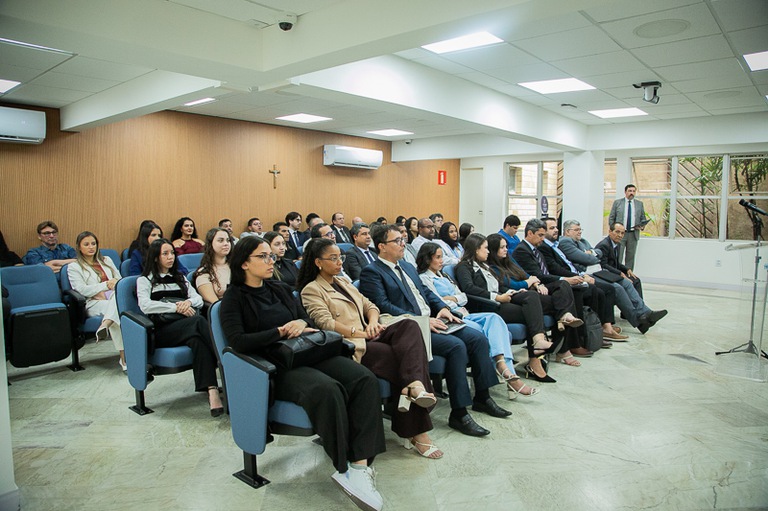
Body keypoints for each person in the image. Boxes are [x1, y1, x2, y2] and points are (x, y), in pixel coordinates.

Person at [219, 236, 385, 511]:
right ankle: (343, 467)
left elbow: (306, 319)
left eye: (271, 256)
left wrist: (298, 322)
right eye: (263, 256)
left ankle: (359, 466)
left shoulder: (279, 288)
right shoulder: (234, 298)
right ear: (244, 263)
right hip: (274, 364)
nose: (271, 261)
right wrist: (279, 332)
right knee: (327, 389)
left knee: (364, 378)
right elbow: (238, 341)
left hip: (305, 352)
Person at [359, 224, 510, 437]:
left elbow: (426, 293)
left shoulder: (407, 266)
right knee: (456, 347)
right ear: (382, 246)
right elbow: (383, 305)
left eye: (403, 240)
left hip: (433, 320)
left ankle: (483, 398)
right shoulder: (372, 272)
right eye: (397, 241)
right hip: (408, 329)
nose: (403, 244)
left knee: (477, 338)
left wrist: (443, 308)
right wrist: (422, 320)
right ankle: (459, 413)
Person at [298, 238, 442, 459]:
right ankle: (417, 429)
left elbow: (370, 305)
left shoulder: (343, 282)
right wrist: (361, 333)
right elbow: (326, 323)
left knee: (410, 325)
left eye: (340, 257)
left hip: (369, 333)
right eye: (333, 258)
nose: (340, 262)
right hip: (350, 344)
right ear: (318, 262)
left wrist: (373, 322)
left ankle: (414, 385)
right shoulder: (312, 290)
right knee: (398, 357)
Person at [416, 242, 538, 399]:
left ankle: (501, 366)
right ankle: (506, 373)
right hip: (452, 316)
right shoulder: (424, 278)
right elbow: (437, 301)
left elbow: (463, 296)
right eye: (438, 257)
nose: (442, 261)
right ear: (427, 259)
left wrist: (452, 298)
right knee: (485, 333)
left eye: (442, 257)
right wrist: (454, 299)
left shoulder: (444, 275)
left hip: (465, 312)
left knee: (494, 318)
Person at [456, 233, 563, 382]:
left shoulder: (484, 266)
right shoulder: (464, 266)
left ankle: (538, 345)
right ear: (476, 249)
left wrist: (512, 291)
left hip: (500, 299)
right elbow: (469, 288)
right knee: (531, 313)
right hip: (486, 306)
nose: (488, 251)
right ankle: (536, 353)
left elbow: (499, 286)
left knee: (531, 297)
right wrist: (497, 297)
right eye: (485, 248)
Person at [137, 239, 223, 417]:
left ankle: (212, 391)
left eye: (172, 253)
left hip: (185, 326)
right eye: (165, 254)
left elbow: (198, 299)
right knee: (198, 322)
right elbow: (145, 306)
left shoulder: (180, 278)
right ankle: (226, 357)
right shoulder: (145, 280)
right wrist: (175, 307)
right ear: (155, 257)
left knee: (198, 341)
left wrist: (188, 303)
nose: (171, 257)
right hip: (162, 330)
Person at [559, 219, 658, 334]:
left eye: (580, 229)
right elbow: (588, 258)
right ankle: (639, 320)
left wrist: (592, 254)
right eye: (576, 230)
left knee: (626, 282)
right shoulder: (565, 242)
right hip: (588, 273)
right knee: (617, 288)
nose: (580, 232)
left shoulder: (583, 241)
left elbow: (598, 253)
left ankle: (645, 312)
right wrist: (592, 255)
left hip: (598, 270)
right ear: (567, 231)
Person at [539, 218, 626, 345]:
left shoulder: (560, 244)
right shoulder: (551, 246)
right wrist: (578, 275)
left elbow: (597, 253)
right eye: (552, 228)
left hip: (580, 273)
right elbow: (557, 268)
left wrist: (589, 256)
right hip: (571, 277)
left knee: (609, 288)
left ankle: (599, 329)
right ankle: (589, 334)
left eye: (556, 227)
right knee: (599, 290)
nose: (556, 230)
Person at [596, 222, 667, 333]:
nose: (620, 235)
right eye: (617, 232)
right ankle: (643, 315)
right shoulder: (604, 245)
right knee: (625, 284)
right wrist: (620, 273)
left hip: (613, 273)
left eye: (622, 233)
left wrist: (626, 269)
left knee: (636, 280)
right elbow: (603, 265)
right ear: (610, 232)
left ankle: (642, 313)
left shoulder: (617, 244)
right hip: (605, 274)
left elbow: (616, 263)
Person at [68, 231, 125, 370]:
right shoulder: (74, 267)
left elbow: (119, 279)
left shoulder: (106, 260)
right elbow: (81, 290)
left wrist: (107, 289)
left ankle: (106, 324)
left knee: (116, 306)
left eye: (93, 243)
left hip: (112, 297)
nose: (91, 247)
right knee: (119, 310)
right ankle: (125, 359)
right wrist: (105, 286)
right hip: (92, 303)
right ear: (79, 247)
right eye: (86, 244)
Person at [608, 184, 647, 269]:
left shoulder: (639, 204)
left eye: (633, 191)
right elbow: (611, 217)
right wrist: (613, 230)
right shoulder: (618, 203)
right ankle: (617, 273)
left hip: (633, 234)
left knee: (630, 258)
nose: (631, 193)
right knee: (618, 256)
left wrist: (642, 226)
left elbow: (643, 218)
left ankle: (629, 275)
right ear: (625, 192)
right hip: (620, 234)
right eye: (630, 191)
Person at [194, 228, 232, 307]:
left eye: (228, 240)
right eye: (220, 240)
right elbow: (215, 305)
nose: (226, 244)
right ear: (210, 244)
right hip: (226, 309)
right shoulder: (204, 272)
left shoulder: (238, 266)